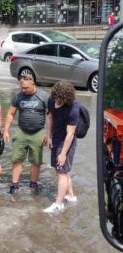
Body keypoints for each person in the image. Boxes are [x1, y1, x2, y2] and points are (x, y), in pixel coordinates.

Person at [3, 72, 49, 193]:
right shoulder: (19, 96)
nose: (23, 90)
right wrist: (6, 131)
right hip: (22, 131)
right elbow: (10, 114)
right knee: (16, 159)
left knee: (36, 161)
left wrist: (49, 135)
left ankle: (33, 184)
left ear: (33, 83)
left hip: (38, 132)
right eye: (21, 87)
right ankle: (14, 185)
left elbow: (50, 117)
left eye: (26, 88)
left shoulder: (44, 96)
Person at [43, 81, 79, 214]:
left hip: (66, 143)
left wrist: (63, 153)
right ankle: (70, 196)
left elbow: (70, 134)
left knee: (61, 172)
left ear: (67, 98)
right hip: (56, 139)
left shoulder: (73, 109)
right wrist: (49, 136)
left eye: (60, 100)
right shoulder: (51, 100)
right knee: (64, 171)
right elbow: (49, 117)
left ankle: (59, 204)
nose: (58, 101)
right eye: (56, 98)